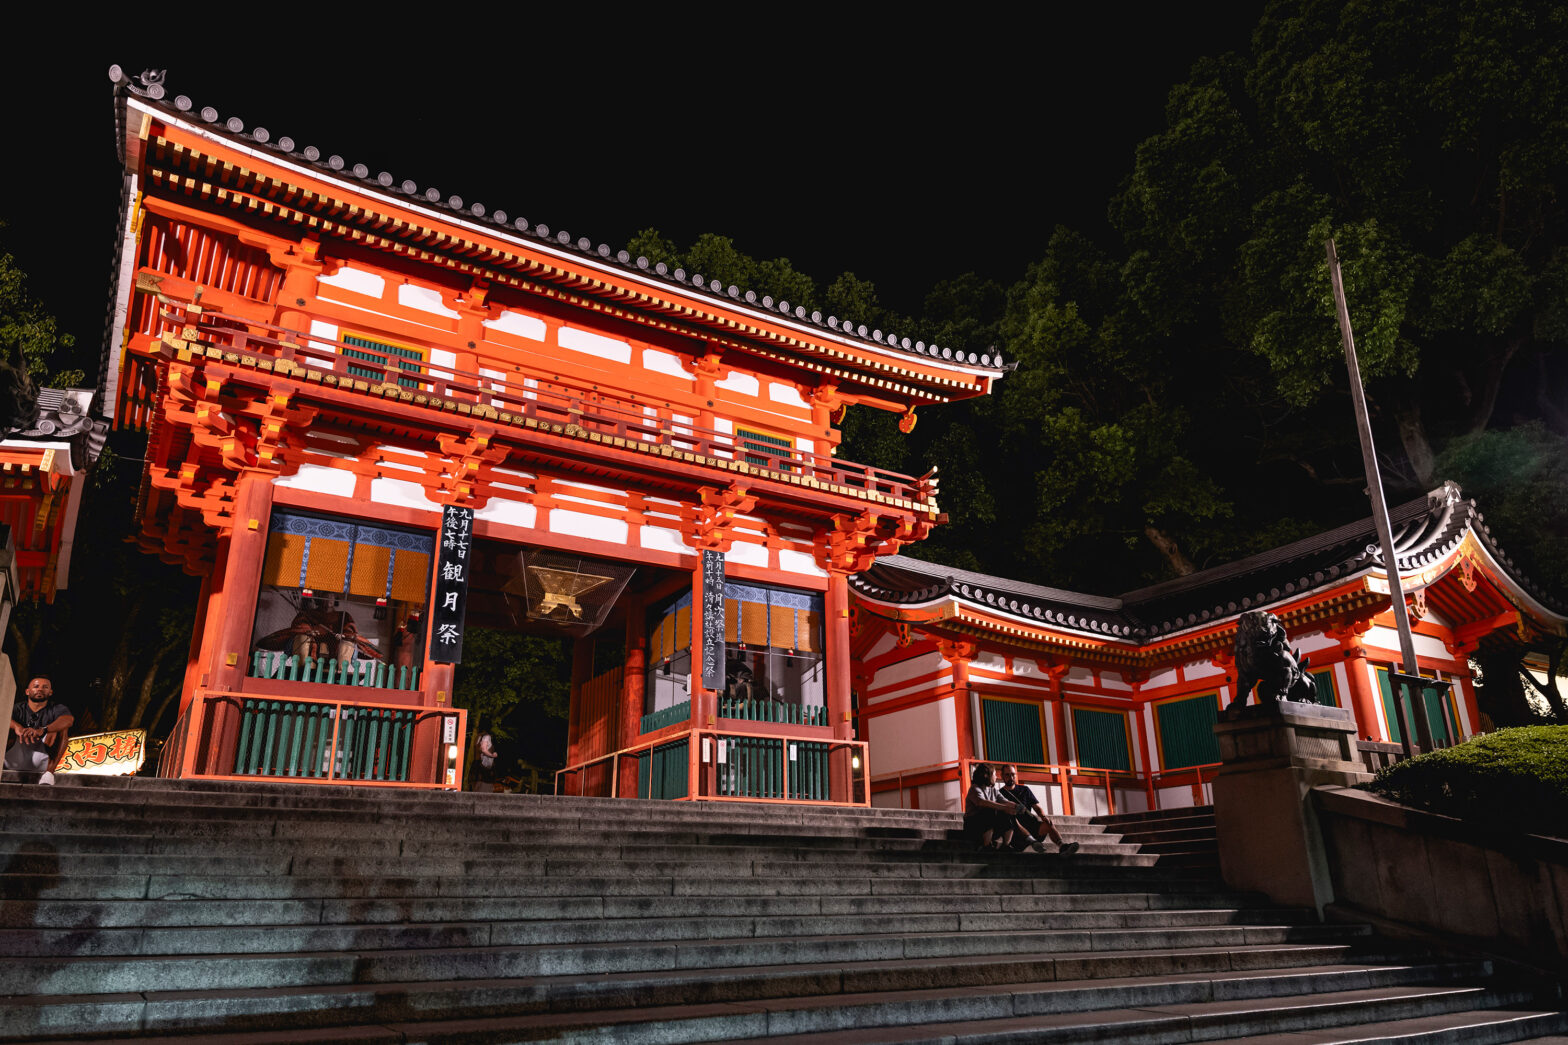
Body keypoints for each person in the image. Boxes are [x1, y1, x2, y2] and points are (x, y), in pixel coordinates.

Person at [997, 763, 1079, 855]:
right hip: (1016, 832)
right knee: (1013, 818)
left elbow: (1037, 807)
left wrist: (1044, 817)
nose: (1011, 777)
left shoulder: (1025, 790)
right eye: (1007, 775)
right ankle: (1032, 842)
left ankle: (1062, 846)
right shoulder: (1000, 794)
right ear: (1002, 776)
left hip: (1031, 824)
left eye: (1013, 774)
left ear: (1016, 775)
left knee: (1048, 823)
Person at [4, 676, 73, 785]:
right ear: (27, 691)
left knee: (61, 729)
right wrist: (17, 727)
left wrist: (44, 730)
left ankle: (49, 774)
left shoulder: (57, 708)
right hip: (14, 757)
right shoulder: (18, 708)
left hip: (43, 760)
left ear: (50, 692)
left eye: (45, 687)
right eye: (36, 686)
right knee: (6, 724)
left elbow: (68, 720)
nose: (40, 689)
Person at [964, 762, 1023, 850]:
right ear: (987, 775)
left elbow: (1005, 801)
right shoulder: (974, 788)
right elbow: (982, 802)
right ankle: (987, 845)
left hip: (988, 826)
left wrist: (1017, 806)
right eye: (995, 774)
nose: (996, 777)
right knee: (989, 810)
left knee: (1008, 813)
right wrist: (1004, 808)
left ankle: (1006, 845)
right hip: (973, 827)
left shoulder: (993, 790)